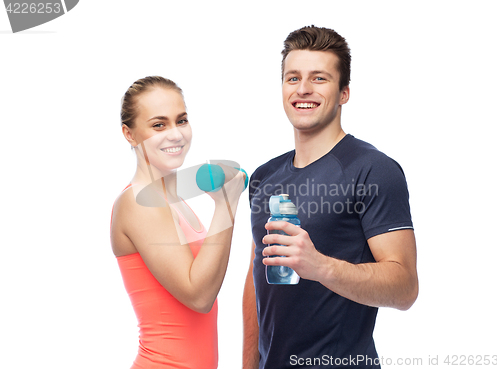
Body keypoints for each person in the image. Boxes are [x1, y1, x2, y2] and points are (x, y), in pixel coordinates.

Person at [243, 26, 418, 369]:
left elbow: (405, 287)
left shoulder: (373, 170)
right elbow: (256, 280)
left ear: (344, 93)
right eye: (292, 78)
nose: (303, 89)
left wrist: (320, 266)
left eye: (319, 78)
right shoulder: (263, 176)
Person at [110, 76, 245, 369]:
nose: (175, 134)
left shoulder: (175, 202)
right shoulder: (137, 203)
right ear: (129, 134)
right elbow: (199, 296)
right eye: (159, 125)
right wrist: (226, 204)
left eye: (181, 121)